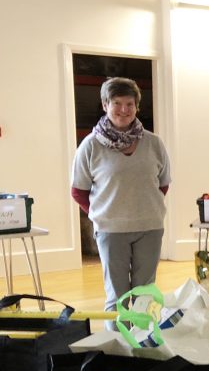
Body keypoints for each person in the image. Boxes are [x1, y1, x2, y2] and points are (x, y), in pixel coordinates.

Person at [71, 77, 171, 320]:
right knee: (117, 297)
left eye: (130, 104)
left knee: (144, 293)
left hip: (150, 227)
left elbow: (163, 183)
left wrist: (142, 205)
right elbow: (78, 191)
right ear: (105, 105)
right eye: (117, 103)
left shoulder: (154, 143)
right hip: (110, 230)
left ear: (137, 106)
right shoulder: (90, 146)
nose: (124, 110)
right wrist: (103, 213)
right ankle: (116, 351)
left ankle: (142, 348)